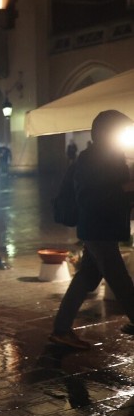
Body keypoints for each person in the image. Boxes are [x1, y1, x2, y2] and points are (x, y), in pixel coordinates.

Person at [50, 110, 134, 349]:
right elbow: (89, 198)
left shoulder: (111, 156)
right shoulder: (91, 159)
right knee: (119, 279)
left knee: (87, 278)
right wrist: (126, 188)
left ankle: (61, 330)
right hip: (98, 229)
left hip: (103, 227)